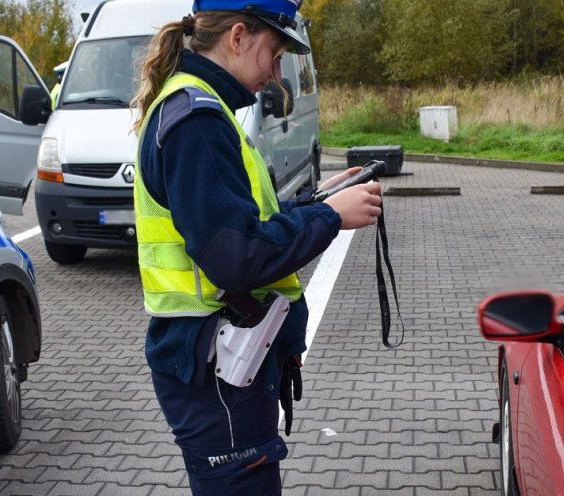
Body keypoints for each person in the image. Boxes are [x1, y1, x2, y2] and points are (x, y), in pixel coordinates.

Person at [131, 1, 383, 494]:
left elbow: (241, 223)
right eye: (275, 54)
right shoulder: (198, 121)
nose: (276, 75)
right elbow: (235, 257)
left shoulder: (201, 107)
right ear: (238, 37)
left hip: (217, 363)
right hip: (217, 371)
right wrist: (330, 218)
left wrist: (317, 202)